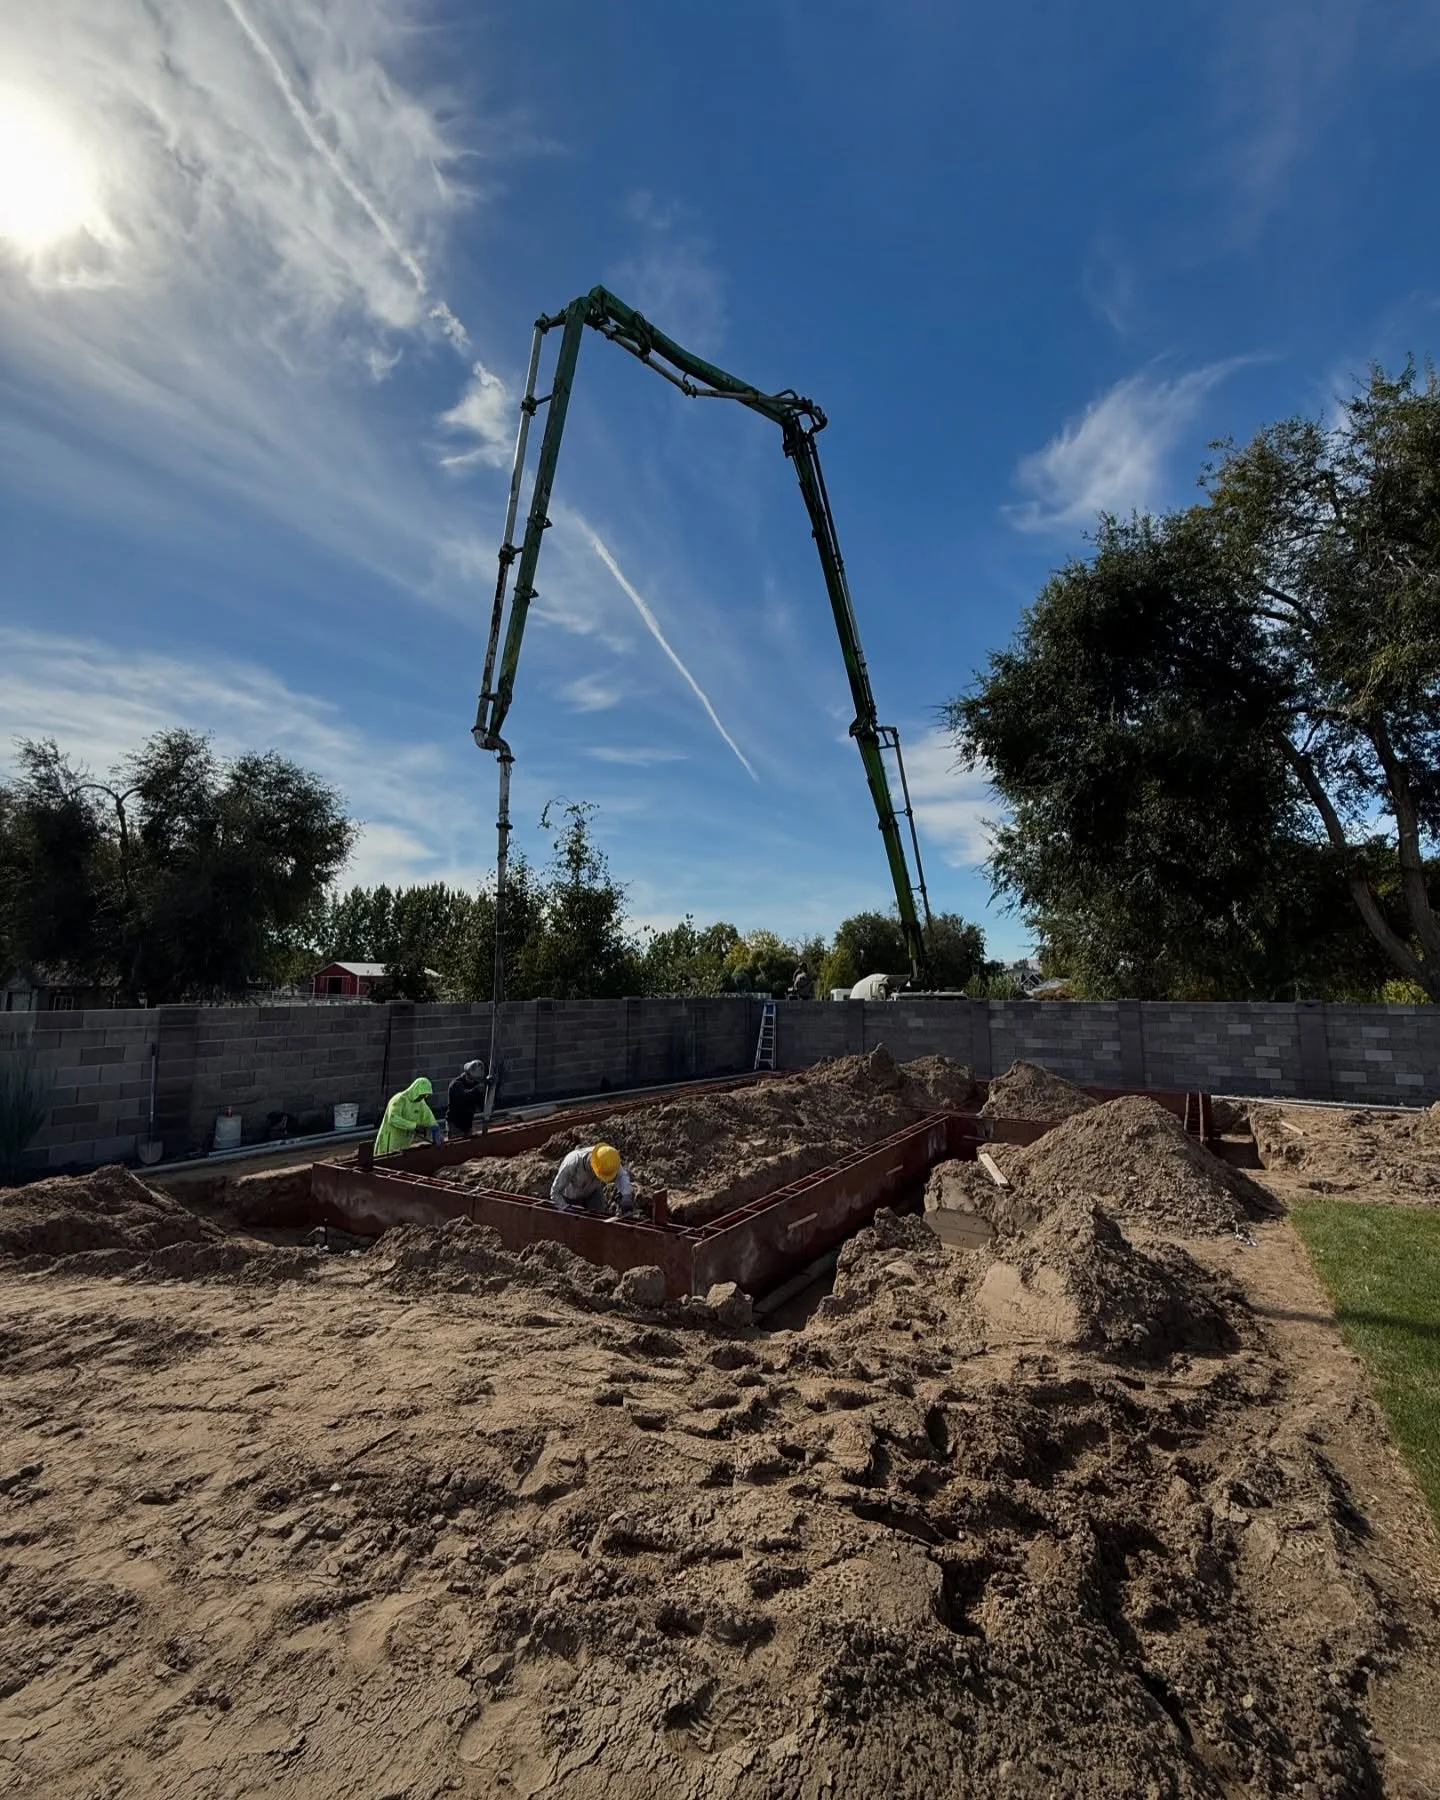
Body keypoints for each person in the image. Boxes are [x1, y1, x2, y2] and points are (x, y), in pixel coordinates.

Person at [548, 1141, 636, 1219]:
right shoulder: (572, 1163)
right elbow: (555, 1192)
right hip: (569, 1197)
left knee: (598, 1219)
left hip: (592, 1193)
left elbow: (621, 1176)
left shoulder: (608, 1159)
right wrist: (564, 1207)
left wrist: (626, 1196)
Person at [373, 1077, 440, 1156]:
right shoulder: (399, 1099)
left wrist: (435, 1129)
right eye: (422, 1095)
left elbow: (428, 1117)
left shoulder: (420, 1103)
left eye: (425, 1095)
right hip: (390, 1139)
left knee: (401, 1158)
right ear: (415, 1090)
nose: (423, 1097)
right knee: (385, 1159)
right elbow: (393, 1118)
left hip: (405, 1141)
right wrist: (414, 1126)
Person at [446, 1059, 487, 1140]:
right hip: (455, 1124)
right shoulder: (456, 1085)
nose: (473, 1082)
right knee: (456, 1147)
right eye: (472, 1079)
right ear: (466, 1075)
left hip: (467, 1123)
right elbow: (465, 1096)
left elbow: (479, 1103)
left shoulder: (474, 1085)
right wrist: (477, 1089)